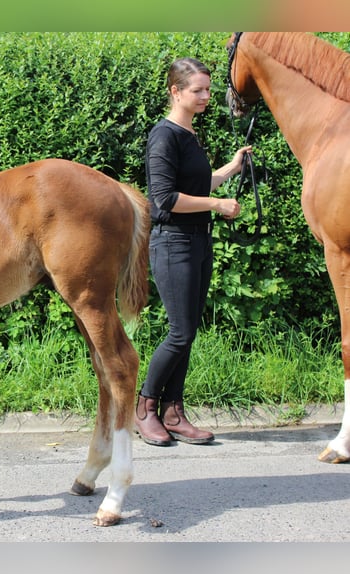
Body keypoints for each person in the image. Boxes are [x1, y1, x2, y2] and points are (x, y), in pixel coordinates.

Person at [136, 57, 252, 446]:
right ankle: (145, 408)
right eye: (197, 90)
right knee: (179, 332)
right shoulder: (163, 136)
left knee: (188, 332)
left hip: (198, 242)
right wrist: (217, 206)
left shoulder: (189, 136)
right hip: (173, 243)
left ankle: (173, 411)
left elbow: (200, 183)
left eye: (206, 89)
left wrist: (232, 168)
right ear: (176, 92)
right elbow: (164, 198)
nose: (206, 96)